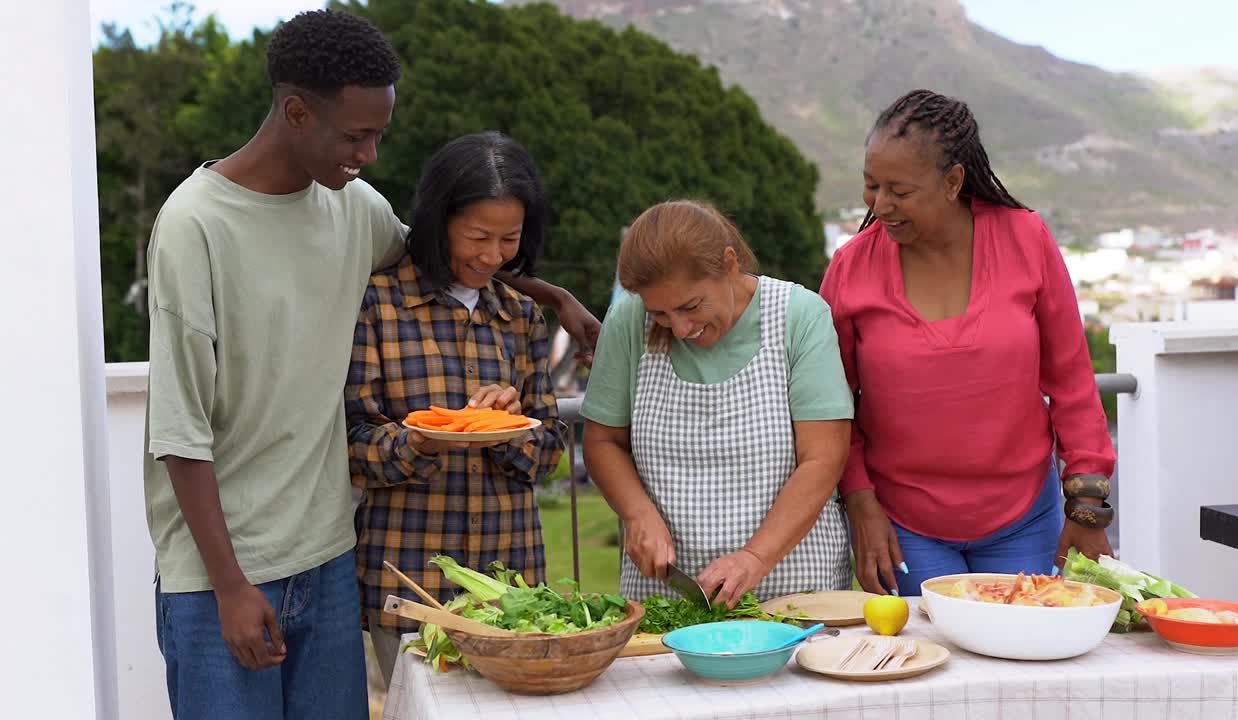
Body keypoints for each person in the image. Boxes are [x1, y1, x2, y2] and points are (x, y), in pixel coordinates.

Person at [144, 11, 596, 719]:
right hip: (220, 575)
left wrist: (558, 298)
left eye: (379, 132)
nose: (373, 153)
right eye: (357, 135)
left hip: (326, 558)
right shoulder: (193, 224)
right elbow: (179, 429)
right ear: (296, 111)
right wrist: (230, 585)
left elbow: (451, 258)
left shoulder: (354, 207)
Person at [819, 89, 1116, 598]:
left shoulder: (1026, 238)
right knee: (925, 668)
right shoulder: (851, 268)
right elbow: (830, 406)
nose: (881, 205)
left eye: (900, 191)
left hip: (1026, 518)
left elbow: (1071, 383)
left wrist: (1086, 507)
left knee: (1025, 660)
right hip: (902, 527)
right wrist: (861, 503)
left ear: (953, 181)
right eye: (871, 186)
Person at [346, 131, 565, 685]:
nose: (492, 256)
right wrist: (419, 440)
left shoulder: (521, 317)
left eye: (509, 239)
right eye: (477, 237)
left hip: (510, 582)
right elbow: (352, 444)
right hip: (407, 577)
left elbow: (548, 451)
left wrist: (512, 429)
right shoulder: (378, 306)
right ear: (438, 221)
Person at [582, 200, 855, 608]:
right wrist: (638, 514)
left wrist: (755, 556)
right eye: (659, 313)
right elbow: (603, 441)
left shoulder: (799, 316)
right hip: (667, 599)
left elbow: (823, 458)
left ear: (729, 264)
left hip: (793, 593)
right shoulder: (627, 322)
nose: (679, 328)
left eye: (691, 306)